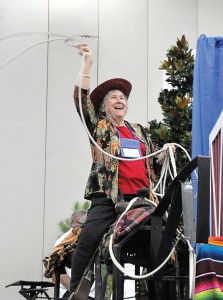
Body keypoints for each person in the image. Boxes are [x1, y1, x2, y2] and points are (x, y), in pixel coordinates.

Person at [68, 43, 174, 300]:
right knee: (89, 238)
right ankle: (76, 294)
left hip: (142, 200)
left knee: (167, 243)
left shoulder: (139, 131)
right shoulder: (100, 126)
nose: (120, 100)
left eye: (123, 97)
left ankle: (161, 293)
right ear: (104, 106)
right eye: (113, 97)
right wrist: (87, 62)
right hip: (109, 198)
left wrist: (163, 153)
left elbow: (153, 166)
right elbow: (81, 102)